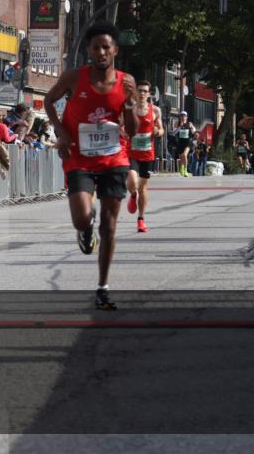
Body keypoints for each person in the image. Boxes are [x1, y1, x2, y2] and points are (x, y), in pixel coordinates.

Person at [44, 22, 139, 311]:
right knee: (83, 218)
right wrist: (61, 131)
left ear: (115, 51)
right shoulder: (74, 77)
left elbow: (132, 130)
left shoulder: (126, 82)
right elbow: (49, 101)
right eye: (95, 47)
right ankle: (86, 228)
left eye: (106, 47)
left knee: (109, 227)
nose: (100, 52)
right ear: (88, 50)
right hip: (79, 157)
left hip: (114, 158)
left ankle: (102, 288)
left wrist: (132, 103)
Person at [124, 80, 163, 233]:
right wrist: (122, 130)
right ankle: (133, 194)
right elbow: (120, 123)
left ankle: (141, 219)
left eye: (145, 91)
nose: (141, 93)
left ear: (149, 94)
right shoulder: (129, 109)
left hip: (147, 153)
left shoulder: (155, 111)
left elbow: (161, 129)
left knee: (143, 187)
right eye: (139, 90)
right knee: (132, 180)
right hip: (132, 152)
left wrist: (158, 132)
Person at [174, 111, 196, 177]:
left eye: (184, 116)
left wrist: (191, 127)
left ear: (186, 117)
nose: (183, 117)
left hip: (188, 142)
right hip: (180, 142)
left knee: (184, 155)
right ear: (180, 117)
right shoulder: (177, 124)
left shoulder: (189, 124)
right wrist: (179, 128)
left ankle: (186, 170)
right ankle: (182, 168)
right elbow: (173, 133)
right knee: (181, 157)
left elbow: (194, 131)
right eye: (181, 116)